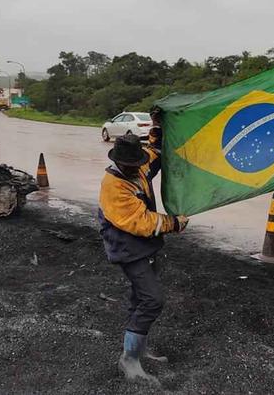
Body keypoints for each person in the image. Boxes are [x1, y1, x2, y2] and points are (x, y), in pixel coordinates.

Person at [97, 120, 188, 383]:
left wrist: (159, 128)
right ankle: (129, 360)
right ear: (120, 162)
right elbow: (141, 222)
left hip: (143, 246)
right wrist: (174, 223)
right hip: (127, 247)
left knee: (139, 299)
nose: (137, 168)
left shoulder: (137, 165)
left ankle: (136, 350)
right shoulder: (114, 185)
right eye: (131, 166)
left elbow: (155, 155)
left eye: (138, 164)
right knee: (152, 300)